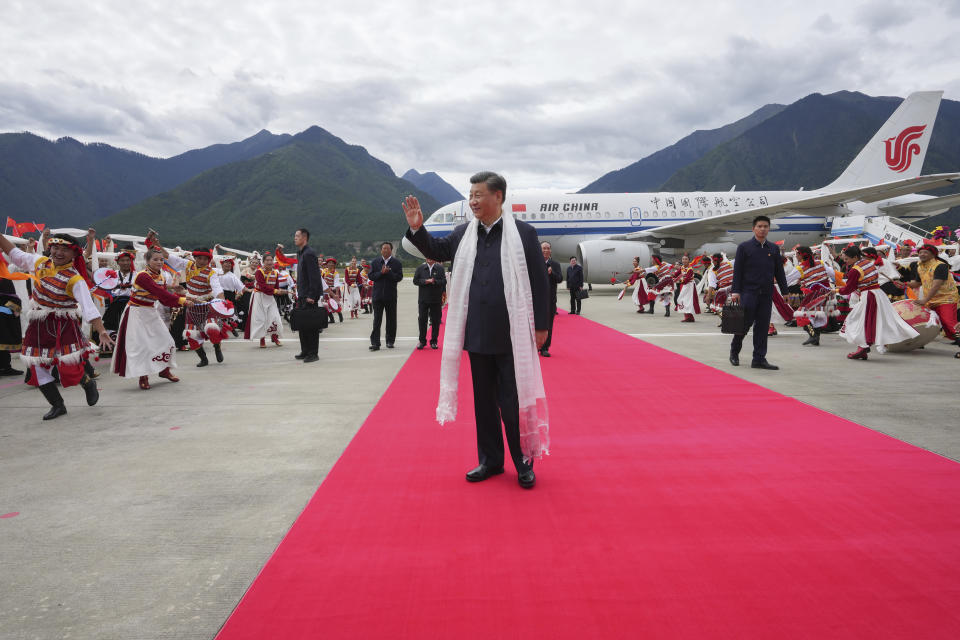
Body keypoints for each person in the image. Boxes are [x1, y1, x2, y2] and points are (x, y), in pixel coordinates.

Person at [403, 171, 549, 489]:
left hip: (512, 335)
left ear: (498, 196)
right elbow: (437, 249)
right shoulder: (463, 234)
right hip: (478, 333)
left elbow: (539, 281)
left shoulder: (523, 233)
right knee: (483, 403)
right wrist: (417, 228)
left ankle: (523, 462)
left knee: (511, 403)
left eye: (478, 195)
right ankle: (491, 461)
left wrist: (541, 325)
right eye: (470, 195)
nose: (472, 201)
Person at [0, 231, 113, 419]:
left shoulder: (75, 279)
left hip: (63, 324)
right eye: (55, 248)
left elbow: (89, 308)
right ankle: (57, 405)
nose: (58, 252)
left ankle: (86, 382)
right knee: (38, 366)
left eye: (64, 250)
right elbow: (15, 254)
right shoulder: (39, 263)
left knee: (69, 367)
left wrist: (101, 331)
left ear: (75, 254)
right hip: (38, 323)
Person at [112, 247, 192, 389]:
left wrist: (180, 298)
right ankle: (143, 377)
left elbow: (163, 299)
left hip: (150, 311)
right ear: (147, 260)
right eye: (155, 259)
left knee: (166, 341)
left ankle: (164, 370)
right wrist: (182, 300)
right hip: (136, 313)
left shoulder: (162, 276)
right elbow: (158, 293)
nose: (159, 262)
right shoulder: (143, 276)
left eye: (161, 259)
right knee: (142, 346)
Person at [729, 216, 789, 370]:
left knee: (762, 327)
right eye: (760, 226)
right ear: (753, 229)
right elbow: (738, 271)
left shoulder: (773, 249)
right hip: (748, 292)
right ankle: (734, 352)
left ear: (769, 229)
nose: (763, 229)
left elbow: (779, 272)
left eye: (765, 226)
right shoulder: (744, 247)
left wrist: (785, 291)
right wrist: (735, 291)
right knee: (743, 324)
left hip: (766, 294)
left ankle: (759, 359)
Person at [838, 245, 918, 360]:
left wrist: (836, 290)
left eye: (847, 259)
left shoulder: (855, 269)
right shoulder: (868, 263)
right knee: (868, 321)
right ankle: (863, 347)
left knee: (859, 320)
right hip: (877, 293)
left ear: (855, 257)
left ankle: (863, 347)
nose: (845, 262)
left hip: (869, 296)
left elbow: (848, 289)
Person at [157, 243, 226, 367]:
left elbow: (217, 289)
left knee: (212, 329)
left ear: (208, 260)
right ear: (195, 258)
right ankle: (203, 358)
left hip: (206, 304)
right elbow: (168, 256)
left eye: (205, 259)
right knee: (190, 334)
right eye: (199, 258)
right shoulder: (187, 265)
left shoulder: (211, 273)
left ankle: (217, 346)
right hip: (192, 304)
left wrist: (222, 302)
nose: (202, 261)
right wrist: (157, 245)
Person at [904, 243, 959, 346]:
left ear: (933, 255)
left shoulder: (940, 266)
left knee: (949, 323)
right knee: (923, 320)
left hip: (946, 299)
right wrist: (904, 284)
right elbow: (918, 283)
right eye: (920, 252)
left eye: (925, 252)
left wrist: (924, 300)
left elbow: (936, 286)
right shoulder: (919, 266)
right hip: (931, 299)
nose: (922, 254)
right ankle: (919, 342)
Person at [292, 230, 322, 363]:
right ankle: (305, 350)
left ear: (304, 238)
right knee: (302, 324)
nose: (295, 238)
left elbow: (314, 276)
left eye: (297, 236)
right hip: (302, 294)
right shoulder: (301, 253)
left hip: (309, 295)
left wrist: (312, 295)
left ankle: (313, 353)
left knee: (311, 325)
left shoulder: (309, 253)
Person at [368, 242, 403, 351]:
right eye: (384, 248)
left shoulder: (396, 263)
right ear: (381, 250)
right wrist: (381, 273)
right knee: (377, 320)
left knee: (391, 320)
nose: (385, 250)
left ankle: (390, 341)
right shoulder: (375, 262)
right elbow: (371, 276)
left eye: (387, 248)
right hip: (377, 296)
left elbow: (399, 277)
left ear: (391, 250)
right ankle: (375, 343)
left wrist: (389, 273)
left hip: (390, 296)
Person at [245, 252, 284, 347]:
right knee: (261, 318)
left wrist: (280, 291)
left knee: (274, 317)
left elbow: (276, 286)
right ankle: (262, 339)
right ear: (263, 262)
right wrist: (276, 291)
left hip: (270, 297)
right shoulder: (259, 272)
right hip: (259, 296)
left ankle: (274, 337)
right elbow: (263, 287)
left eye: (271, 260)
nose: (269, 262)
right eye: (267, 260)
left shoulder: (275, 273)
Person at [413, 257, 446, 349]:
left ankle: (434, 341)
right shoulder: (420, 268)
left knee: (435, 321)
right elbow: (415, 281)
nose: (429, 258)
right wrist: (425, 281)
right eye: (427, 256)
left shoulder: (440, 268)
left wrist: (434, 281)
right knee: (422, 320)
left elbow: (444, 281)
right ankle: (422, 341)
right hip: (423, 299)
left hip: (436, 299)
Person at [540, 241, 562, 356]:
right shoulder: (535, 263)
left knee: (548, 325)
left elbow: (559, 279)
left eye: (548, 248)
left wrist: (552, 273)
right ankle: (535, 346)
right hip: (536, 300)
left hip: (550, 300)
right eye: (543, 248)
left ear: (551, 250)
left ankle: (545, 347)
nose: (546, 250)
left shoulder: (555, 264)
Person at [0, 273, 24, 376]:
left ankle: (5, 367)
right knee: (3, 339)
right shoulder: (4, 278)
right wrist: (16, 308)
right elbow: (11, 297)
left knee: (2, 341)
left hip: (3, 311)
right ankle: (5, 368)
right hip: (3, 313)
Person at [675, 253, 700, 322]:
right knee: (683, 300)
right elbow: (676, 273)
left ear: (689, 260)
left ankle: (689, 317)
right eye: (683, 259)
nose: (684, 260)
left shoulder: (690, 269)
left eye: (686, 259)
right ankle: (689, 317)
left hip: (689, 286)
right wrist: (670, 276)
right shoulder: (682, 267)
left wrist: (678, 280)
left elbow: (687, 280)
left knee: (687, 301)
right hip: (684, 286)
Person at [322, 257, 344, 323]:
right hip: (326, 290)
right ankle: (331, 319)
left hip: (333, 290)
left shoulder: (335, 273)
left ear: (334, 265)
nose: (330, 264)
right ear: (327, 264)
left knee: (335, 304)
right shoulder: (324, 271)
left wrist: (336, 294)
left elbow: (337, 284)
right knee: (326, 304)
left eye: (332, 263)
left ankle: (340, 315)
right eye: (329, 263)